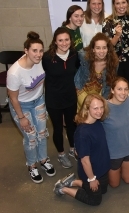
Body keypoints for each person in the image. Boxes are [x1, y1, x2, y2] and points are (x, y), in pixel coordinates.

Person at [7, 31, 56, 183]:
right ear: (26, 51)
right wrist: (21, 118)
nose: (38, 54)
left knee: (41, 133)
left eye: (41, 50)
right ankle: (32, 165)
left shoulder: (40, 61)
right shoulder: (15, 72)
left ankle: (43, 160)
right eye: (34, 51)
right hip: (22, 105)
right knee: (31, 137)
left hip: (38, 101)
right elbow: (13, 98)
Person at [53, 94, 110, 206]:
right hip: (91, 173)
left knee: (103, 190)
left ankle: (73, 182)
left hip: (102, 168)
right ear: (87, 109)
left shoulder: (97, 122)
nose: (100, 111)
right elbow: (84, 161)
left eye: (101, 107)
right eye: (95, 108)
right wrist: (91, 179)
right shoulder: (83, 133)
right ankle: (62, 188)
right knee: (95, 200)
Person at [42, 27, 79, 168]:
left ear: (71, 40)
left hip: (70, 97)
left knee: (72, 125)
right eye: (60, 40)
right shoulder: (46, 58)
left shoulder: (74, 55)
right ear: (55, 42)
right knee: (57, 128)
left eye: (67, 40)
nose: (64, 43)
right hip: (54, 99)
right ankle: (61, 154)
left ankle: (72, 149)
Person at [102, 77, 129, 187]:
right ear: (112, 90)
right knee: (114, 185)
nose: (123, 93)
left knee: (128, 180)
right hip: (113, 153)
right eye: (119, 89)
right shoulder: (104, 107)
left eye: (126, 89)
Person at [74, 32, 119, 109]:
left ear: (108, 49)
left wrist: (102, 102)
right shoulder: (84, 58)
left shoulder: (113, 63)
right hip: (81, 91)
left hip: (99, 95)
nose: (101, 51)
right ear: (93, 49)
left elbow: (108, 86)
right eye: (98, 48)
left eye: (104, 48)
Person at [102, 0, 129, 85]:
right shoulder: (108, 22)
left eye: (123, 2)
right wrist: (117, 35)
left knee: (126, 88)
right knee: (116, 89)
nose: (121, 6)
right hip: (115, 62)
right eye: (118, 3)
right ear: (114, 5)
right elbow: (108, 45)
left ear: (127, 3)